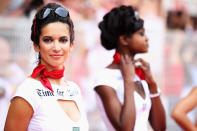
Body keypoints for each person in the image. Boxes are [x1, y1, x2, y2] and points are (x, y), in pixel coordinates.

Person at [4, 3, 89, 131]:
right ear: (36, 45)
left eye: (63, 40)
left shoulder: (74, 90)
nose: (56, 48)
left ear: (71, 45)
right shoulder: (28, 91)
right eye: (48, 40)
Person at [93, 5, 166, 131]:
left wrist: (152, 84)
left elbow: (160, 128)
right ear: (124, 40)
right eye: (141, 34)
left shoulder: (139, 73)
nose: (147, 38)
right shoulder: (105, 78)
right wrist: (128, 81)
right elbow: (126, 129)